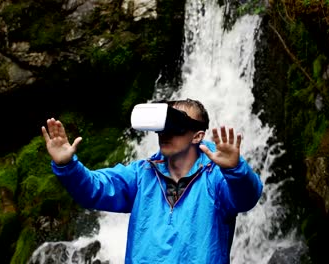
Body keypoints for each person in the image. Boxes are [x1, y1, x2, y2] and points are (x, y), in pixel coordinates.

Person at [41, 98, 263, 264]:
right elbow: (95, 189)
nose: (166, 132)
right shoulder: (142, 174)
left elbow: (247, 197)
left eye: (176, 126)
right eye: (163, 125)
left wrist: (235, 169)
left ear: (197, 136)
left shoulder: (216, 177)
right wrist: (67, 165)